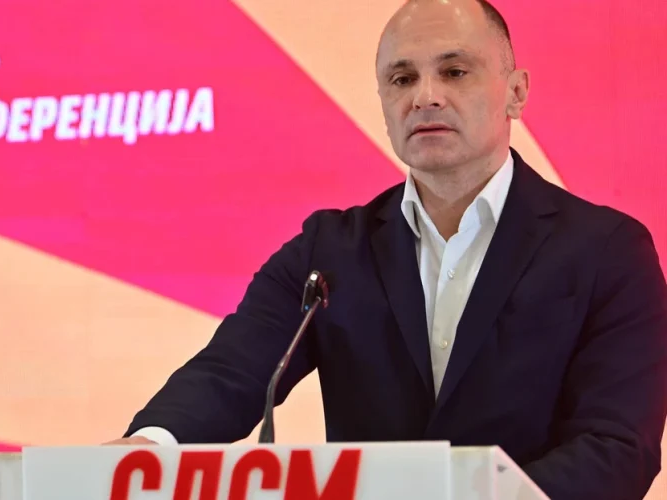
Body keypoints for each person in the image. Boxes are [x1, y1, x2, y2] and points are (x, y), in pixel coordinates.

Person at [106, 0, 667, 498]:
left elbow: (617, 447)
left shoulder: (607, 251)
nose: (425, 96)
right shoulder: (329, 252)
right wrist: (147, 449)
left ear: (516, 92)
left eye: (454, 71)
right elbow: (232, 371)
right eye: (402, 79)